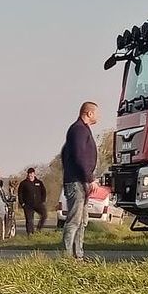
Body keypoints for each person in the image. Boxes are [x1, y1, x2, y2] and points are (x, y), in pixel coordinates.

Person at [59, 101, 99, 260]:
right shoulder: (78, 130)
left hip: (81, 182)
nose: (98, 116)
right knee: (74, 221)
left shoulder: (82, 129)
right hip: (76, 182)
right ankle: (67, 257)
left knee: (82, 221)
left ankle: (78, 255)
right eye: (97, 113)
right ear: (89, 113)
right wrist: (90, 179)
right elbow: (80, 156)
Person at [17, 166, 49, 235]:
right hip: (28, 205)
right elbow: (20, 194)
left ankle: (39, 229)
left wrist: (42, 200)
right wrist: (22, 203)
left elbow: (44, 192)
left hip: (38, 203)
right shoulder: (23, 183)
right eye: (29, 173)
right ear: (27, 174)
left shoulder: (39, 182)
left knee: (44, 215)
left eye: (31, 173)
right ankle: (30, 233)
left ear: (34, 174)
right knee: (29, 220)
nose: (30, 175)